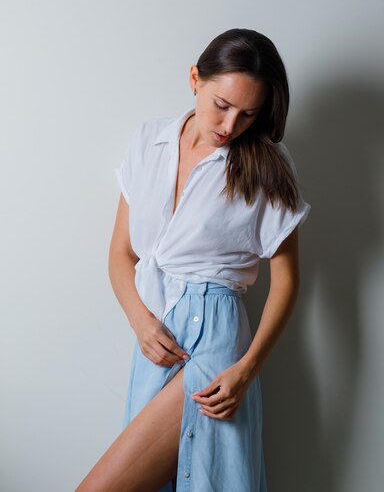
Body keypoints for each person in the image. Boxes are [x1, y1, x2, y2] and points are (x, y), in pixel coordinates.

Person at [75, 28, 311, 492]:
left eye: (248, 114)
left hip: (216, 351)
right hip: (155, 345)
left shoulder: (267, 167)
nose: (229, 126)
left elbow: (286, 282)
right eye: (222, 105)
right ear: (195, 79)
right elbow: (122, 252)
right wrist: (140, 322)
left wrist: (246, 371)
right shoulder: (149, 142)